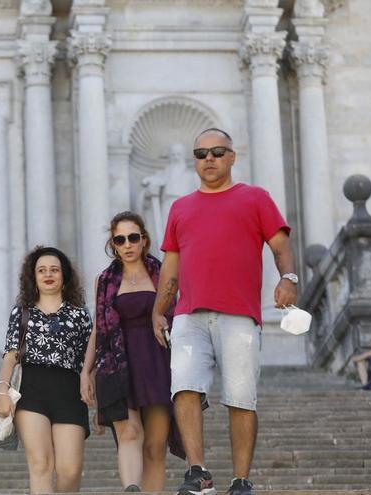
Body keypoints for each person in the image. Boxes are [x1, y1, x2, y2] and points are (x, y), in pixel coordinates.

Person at [151, 128, 298, 495]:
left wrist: (289, 278)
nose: (209, 159)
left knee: (240, 396)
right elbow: (171, 267)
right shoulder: (180, 207)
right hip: (188, 314)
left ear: (232, 157)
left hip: (239, 314)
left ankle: (241, 479)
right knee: (183, 386)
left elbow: (280, 244)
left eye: (217, 152)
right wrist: (159, 310)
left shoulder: (255, 198)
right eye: (201, 154)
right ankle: (198, 472)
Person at [81, 211, 184, 492]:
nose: (127, 244)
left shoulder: (164, 275)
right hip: (116, 363)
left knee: (154, 446)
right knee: (128, 432)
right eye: (120, 239)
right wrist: (85, 371)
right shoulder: (105, 280)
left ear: (144, 240)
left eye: (133, 238)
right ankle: (131, 488)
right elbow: (98, 328)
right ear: (113, 244)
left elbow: (180, 318)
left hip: (158, 361)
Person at [0, 246, 93, 494]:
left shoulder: (80, 315)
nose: (48, 275)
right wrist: (2, 391)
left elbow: (88, 361)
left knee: (70, 470)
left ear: (64, 276)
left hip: (69, 392)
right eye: (41, 270)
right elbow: (10, 355)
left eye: (54, 270)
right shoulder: (22, 312)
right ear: (34, 277)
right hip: (32, 391)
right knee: (40, 465)